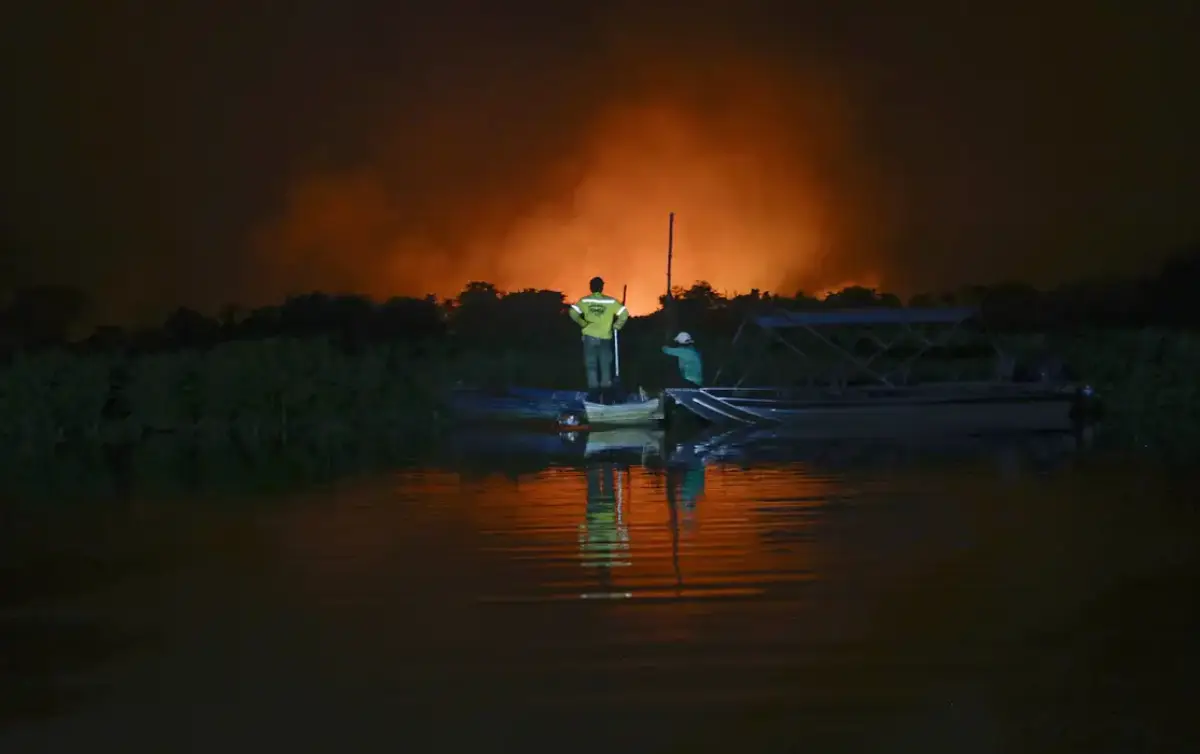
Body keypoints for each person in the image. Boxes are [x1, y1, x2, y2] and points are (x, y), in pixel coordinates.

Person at [567, 276, 628, 403]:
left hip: (589, 338)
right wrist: (617, 325)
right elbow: (624, 313)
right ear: (602, 287)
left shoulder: (585, 301)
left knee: (591, 366)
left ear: (591, 287)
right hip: (605, 338)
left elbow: (572, 312)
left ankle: (594, 397)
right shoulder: (611, 302)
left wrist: (582, 323)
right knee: (605, 366)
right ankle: (606, 397)